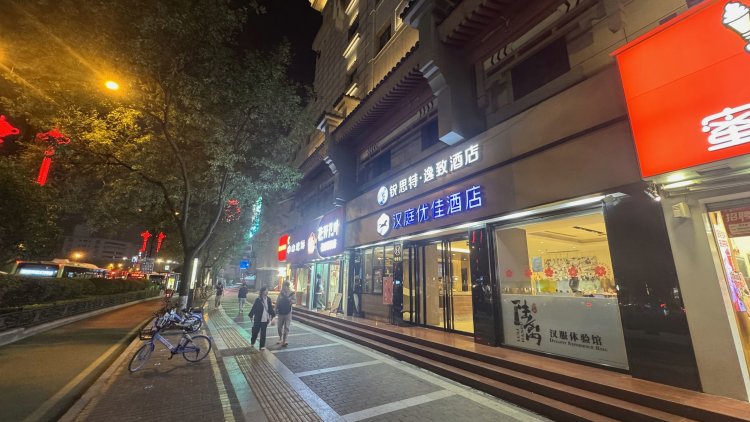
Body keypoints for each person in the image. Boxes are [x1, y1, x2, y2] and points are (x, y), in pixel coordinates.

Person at [275, 281, 295, 347]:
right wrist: (275, 309)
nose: (284, 287)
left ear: (288, 286)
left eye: (286, 286)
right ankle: (280, 337)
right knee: (279, 327)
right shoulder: (281, 293)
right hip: (281, 312)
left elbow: (295, 301)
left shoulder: (292, 293)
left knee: (286, 327)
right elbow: (277, 302)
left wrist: (291, 301)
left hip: (288, 312)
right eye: (284, 286)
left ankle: (284, 340)